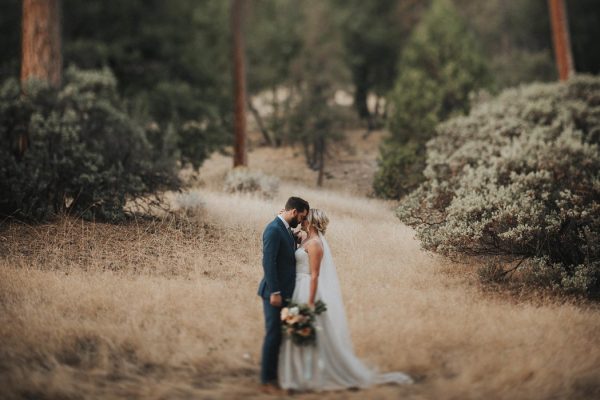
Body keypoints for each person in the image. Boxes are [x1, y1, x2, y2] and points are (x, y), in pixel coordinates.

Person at [278, 208, 414, 391]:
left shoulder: (316, 244)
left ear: (311, 221)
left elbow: (315, 275)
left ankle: (313, 374)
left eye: (305, 218)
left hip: (306, 291)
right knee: (295, 331)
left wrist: (310, 302)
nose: (301, 220)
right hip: (297, 288)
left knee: (311, 334)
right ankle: (298, 371)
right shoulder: (304, 239)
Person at [257, 196, 310, 393]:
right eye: (301, 216)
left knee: (284, 336)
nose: (301, 221)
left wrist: (295, 241)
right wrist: (275, 292)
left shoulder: (285, 230)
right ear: (294, 212)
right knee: (273, 335)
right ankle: (266, 380)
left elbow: (286, 257)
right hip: (274, 293)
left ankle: (281, 376)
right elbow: (268, 263)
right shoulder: (273, 229)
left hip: (288, 291)